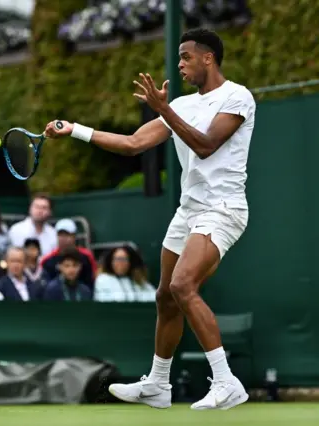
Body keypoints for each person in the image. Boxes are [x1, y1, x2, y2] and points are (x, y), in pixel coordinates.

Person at [44, 28, 255, 410]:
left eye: (185, 57)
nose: (179, 65)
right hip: (188, 210)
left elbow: (206, 147)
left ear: (208, 58)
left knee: (183, 285)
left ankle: (226, 381)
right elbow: (133, 144)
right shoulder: (183, 105)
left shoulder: (237, 97)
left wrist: (165, 110)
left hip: (223, 208)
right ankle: (158, 384)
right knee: (165, 297)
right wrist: (75, 130)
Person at [39, 218, 97, 288]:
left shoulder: (86, 256)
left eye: (67, 234)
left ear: (74, 236)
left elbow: (91, 281)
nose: (64, 238)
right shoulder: (47, 260)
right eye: (60, 235)